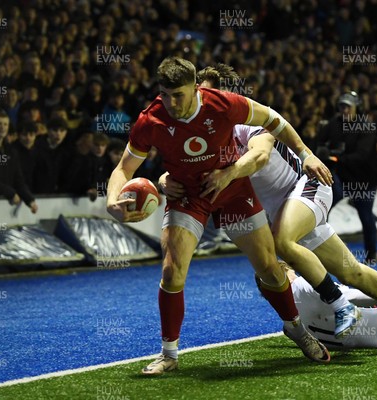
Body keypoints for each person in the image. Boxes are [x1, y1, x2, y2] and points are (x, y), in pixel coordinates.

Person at [161, 64, 377, 351]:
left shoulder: (246, 121)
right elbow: (182, 169)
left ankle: (342, 306)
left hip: (307, 186)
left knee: (283, 240)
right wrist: (164, 181)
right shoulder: (204, 134)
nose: (203, 99)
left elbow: (259, 156)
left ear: (228, 95)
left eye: (209, 92)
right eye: (201, 92)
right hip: (286, 208)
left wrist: (230, 172)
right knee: (352, 272)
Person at [106, 57, 334, 375]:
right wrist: (111, 202)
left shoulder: (223, 104)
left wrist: (306, 154)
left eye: (179, 95)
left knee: (269, 267)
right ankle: (169, 354)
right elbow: (124, 168)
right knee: (172, 271)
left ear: (195, 88)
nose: (171, 103)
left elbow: (275, 121)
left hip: (233, 191)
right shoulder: (151, 120)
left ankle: (295, 327)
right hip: (187, 197)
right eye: (165, 95)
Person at [313, 92, 377, 264]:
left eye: (348, 106)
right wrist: (322, 149)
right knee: (324, 206)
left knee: (365, 215)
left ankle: (371, 253)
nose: (344, 110)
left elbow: (362, 155)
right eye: (342, 106)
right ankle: (320, 247)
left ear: (357, 108)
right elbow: (319, 142)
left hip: (364, 178)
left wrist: (335, 156)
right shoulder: (334, 124)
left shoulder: (365, 126)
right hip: (342, 174)